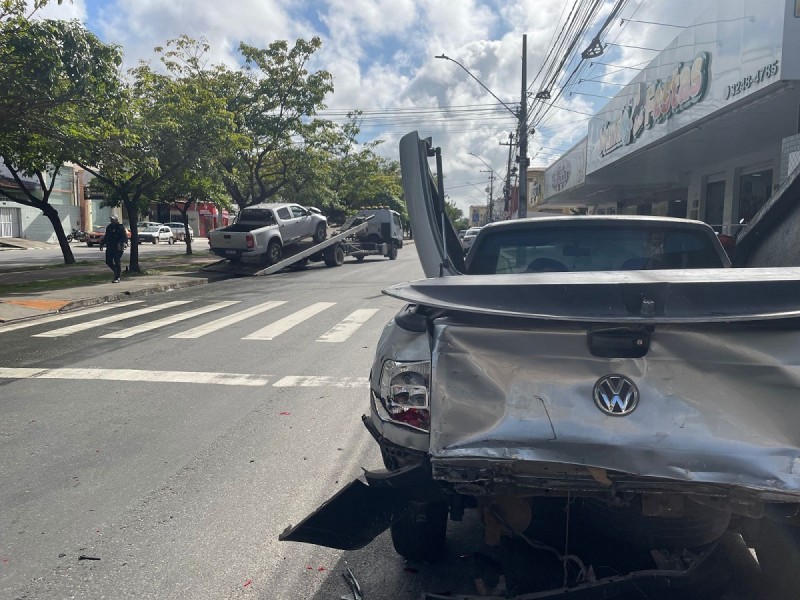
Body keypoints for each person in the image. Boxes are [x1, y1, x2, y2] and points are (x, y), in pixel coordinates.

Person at [100, 215, 127, 283]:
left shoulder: (120, 227)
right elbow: (106, 236)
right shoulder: (109, 227)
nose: (111, 220)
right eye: (111, 219)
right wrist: (102, 244)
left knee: (117, 261)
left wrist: (121, 243)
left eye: (113, 219)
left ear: (116, 220)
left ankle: (117, 277)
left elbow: (124, 237)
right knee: (108, 261)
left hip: (118, 248)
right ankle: (116, 271)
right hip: (110, 247)